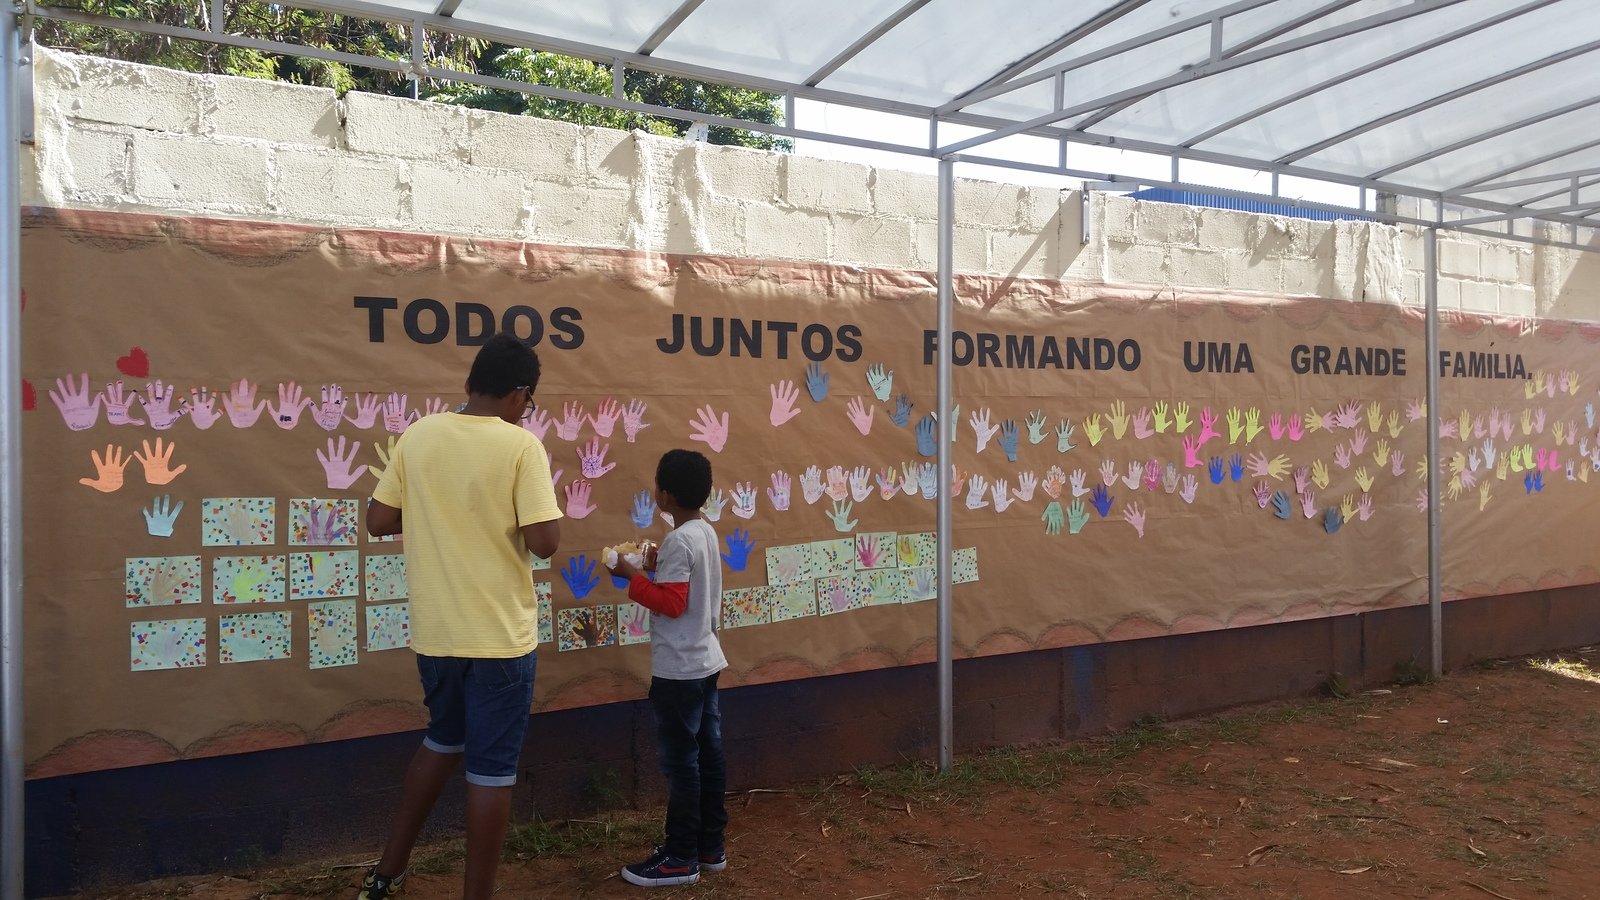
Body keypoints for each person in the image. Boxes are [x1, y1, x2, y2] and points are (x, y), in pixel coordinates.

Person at [359, 333, 562, 900]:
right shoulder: (521, 447)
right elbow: (545, 542)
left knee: (442, 741)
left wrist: (439, 513)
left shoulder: (418, 435)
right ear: (521, 395)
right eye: (529, 402)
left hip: (436, 636)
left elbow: (378, 520)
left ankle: (386, 874)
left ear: (470, 383)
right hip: (499, 639)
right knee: (491, 771)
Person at [606, 449, 730, 887]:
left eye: (657, 484)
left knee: (682, 763)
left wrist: (631, 576)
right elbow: (687, 588)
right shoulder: (704, 531)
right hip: (705, 659)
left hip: (680, 669)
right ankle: (709, 847)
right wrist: (656, 567)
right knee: (708, 755)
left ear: (665, 495)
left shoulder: (679, 540)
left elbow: (672, 603)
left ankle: (680, 857)